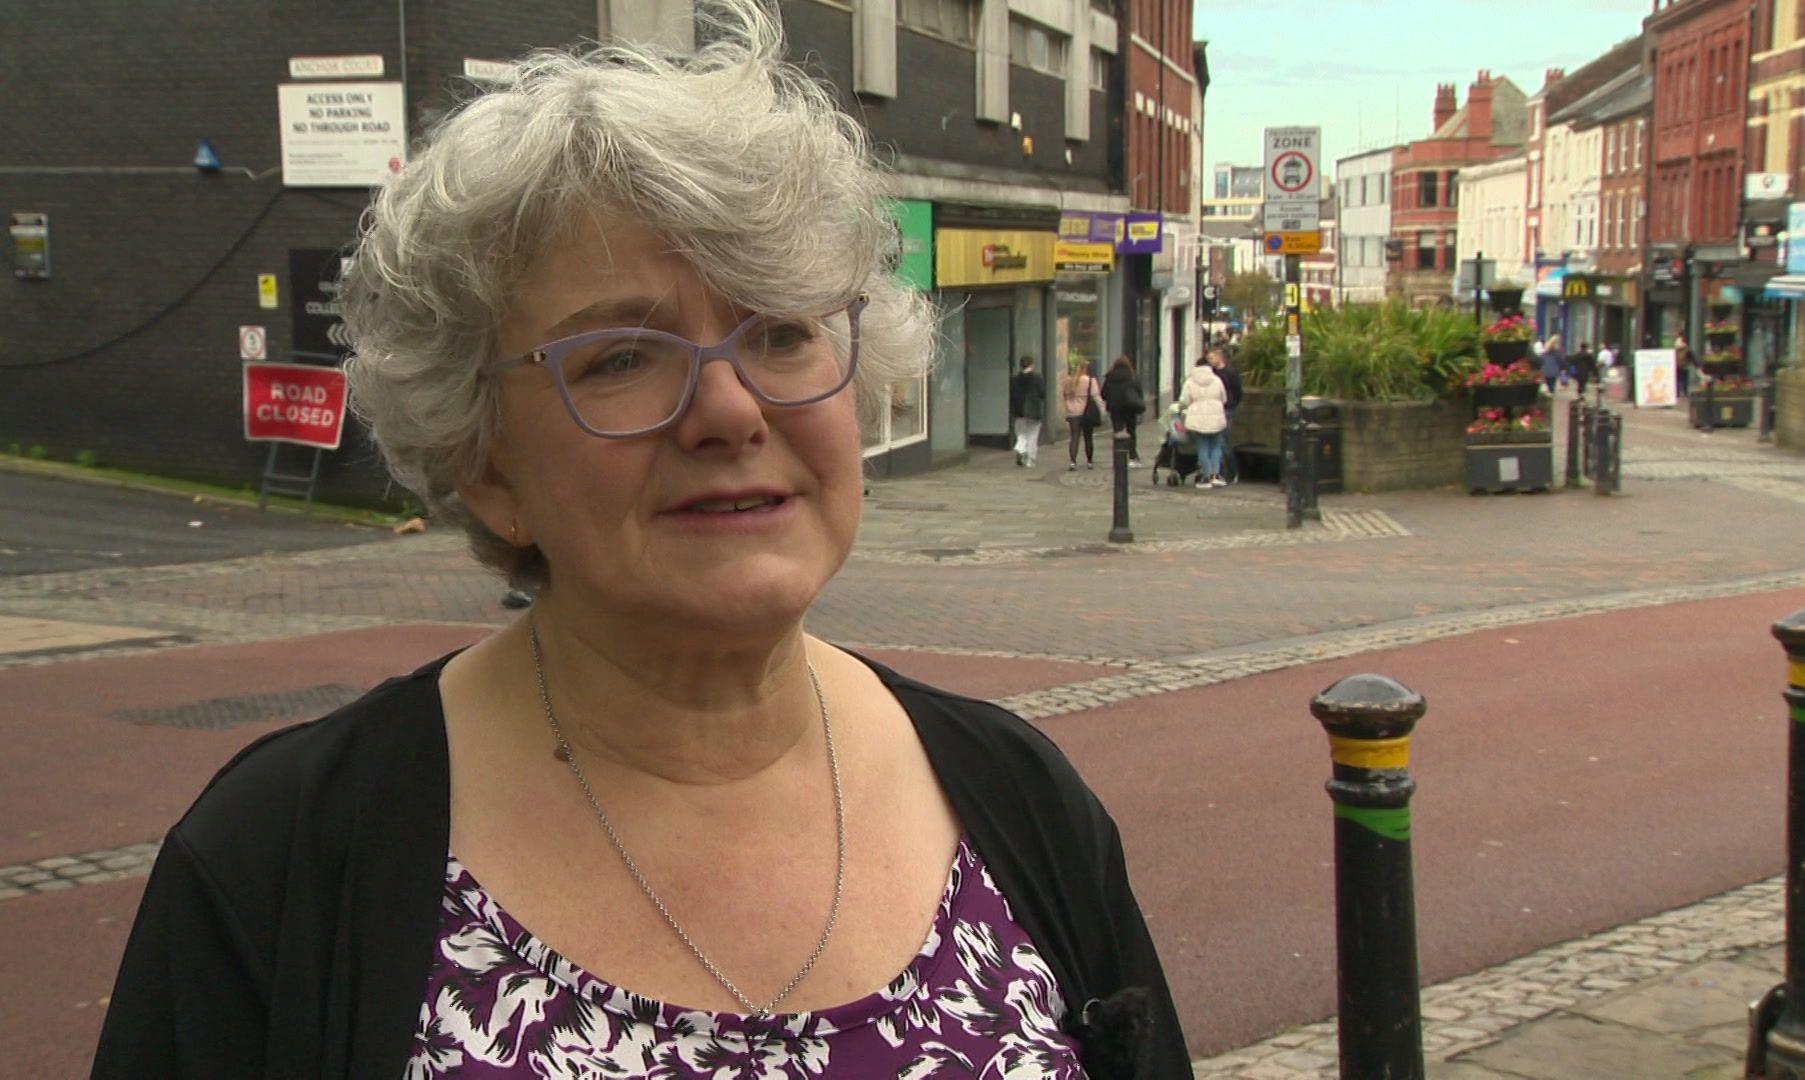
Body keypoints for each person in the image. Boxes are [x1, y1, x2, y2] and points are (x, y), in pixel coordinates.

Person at [91, 7, 1190, 1077]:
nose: (730, 408)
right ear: (486, 462)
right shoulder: (282, 864)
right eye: (621, 356)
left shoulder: (1020, 800)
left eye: (782, 330)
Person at [1177, 360, 1229, 488]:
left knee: (1202, 447)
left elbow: (1184, 400)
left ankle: (1205, 477)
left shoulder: (1190, 382)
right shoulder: (1216, 380)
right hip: (1216, 417)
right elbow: (1224, 398)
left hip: (1197, 418)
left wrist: (1183, 407)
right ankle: (1215, 475)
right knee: (1216, 446)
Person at [1100, 354, 1146, 466]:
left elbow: (1103, 394)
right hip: (1130, 408)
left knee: (1118, 432)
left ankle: (1118, 456)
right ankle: (1133, 456)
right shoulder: (1132, 376)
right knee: (1131, 432)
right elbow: (1139, 392)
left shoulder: (1109, 377)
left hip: (1115, 409)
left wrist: (1112, 399)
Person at [1207, 348, 1243, 484]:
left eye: (1211, 358)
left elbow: (1238, 391)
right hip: (1213, 410)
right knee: (1216, 442)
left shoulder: (1230, 373)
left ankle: (1231, 472)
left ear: (1219, 358)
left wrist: (1232, 404)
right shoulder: (1211, 374)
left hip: (1226, 410)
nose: (1209, 361)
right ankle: (1219, 472)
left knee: (1225, 442)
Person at [1059, 356, 1100, 471]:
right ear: (1085, 368)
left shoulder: (1067, 381)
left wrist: (1067, 407)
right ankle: (1090, 462)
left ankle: (1072, 462)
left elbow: (1064, 396)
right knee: (1088, 438)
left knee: (1074, 437)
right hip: (1086, 412)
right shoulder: (1090, 381)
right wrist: (1102, 409)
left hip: (1072, 413)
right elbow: (1096, 396)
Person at [1009, 355, 1045, 468]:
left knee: (1021, 433)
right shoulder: (1037, 378)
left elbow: (1012, 395)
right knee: (1033, 435)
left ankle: (1021, 449)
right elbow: (1042, 393)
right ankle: (1030, 460)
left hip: (1019, 411)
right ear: (1032, 364)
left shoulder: (1015, 379)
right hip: (1034, 411)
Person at [1675, 334, 1694, 398]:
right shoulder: (1687, 349)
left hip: (1677, 366)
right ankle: (1685, 392)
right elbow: (1691, 357)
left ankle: (1677, 393)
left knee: (1677, 380)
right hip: (1685, 366)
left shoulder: (1676, 349)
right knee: (1685, 380)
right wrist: (1697, 364)